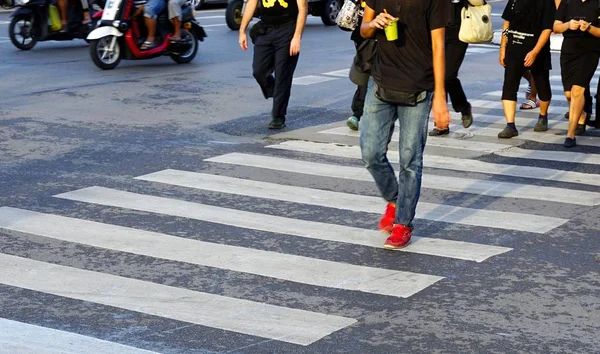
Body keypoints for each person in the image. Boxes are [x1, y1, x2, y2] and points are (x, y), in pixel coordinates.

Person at [358, 0, 450, 249]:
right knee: (370, 153)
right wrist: (373, 23)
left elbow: (439, 45)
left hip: (419, 87)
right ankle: (395, 199)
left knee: (410, 160)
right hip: (380, 82)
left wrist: (440, 96)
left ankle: (403, 223)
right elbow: (363, 29)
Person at [238, 0, 307, 129]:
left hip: (288, 29)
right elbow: (251, 3)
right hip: (266, 29)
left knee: (283, 75)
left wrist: (297, 37)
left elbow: (303, 8)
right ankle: (277, 92)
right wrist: (242, 31)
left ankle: (278, 116)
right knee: (259, 71)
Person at [497, 0, 554, 138]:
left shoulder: (546, 2)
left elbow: (547, 29)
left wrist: (535, 52)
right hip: (514, 49)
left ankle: (543, 116)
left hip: (538, 51)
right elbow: (507, 23)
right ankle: (510, 125)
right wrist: (503, 47)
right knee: (509, 86)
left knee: (542, 85)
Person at [554, 0, 600, 147]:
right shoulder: (567, 2)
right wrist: (568, 25)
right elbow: (556, 27)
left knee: (577, 90)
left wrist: (589, 28)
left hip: (590, 51)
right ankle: (582, 114)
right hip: (569, 50)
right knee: (568, 94)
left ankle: (571, 134)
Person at [429, 0, 472, 136]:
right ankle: (442, 125)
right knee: (437, 75)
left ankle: (463, 106)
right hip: (435, 30)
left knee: (447, 75)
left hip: (459, 32)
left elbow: (479, 3)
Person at [347, 1, 368, 131]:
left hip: (384, 33)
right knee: (364, 73)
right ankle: (357, 113)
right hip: (362, 33)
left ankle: (359, 113)